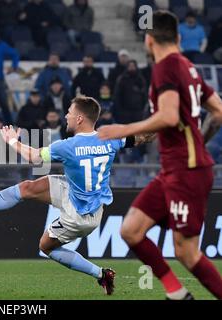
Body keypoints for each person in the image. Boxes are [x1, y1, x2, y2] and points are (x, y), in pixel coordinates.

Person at [0, 96, 153, 295]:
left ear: (80, 118)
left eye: (70, 113)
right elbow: (143, 137)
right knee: (27, 187)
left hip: (78, 214)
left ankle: (101, 274)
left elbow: (33, 157)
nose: (66, 116)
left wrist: (12, 142)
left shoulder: (67, 146)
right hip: (84, 198)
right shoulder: (110, 139)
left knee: (45, 246)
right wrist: (163, 125)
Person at [98, 10, 222, 300]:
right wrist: (199, 141)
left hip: (185, 172)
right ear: (178, 37)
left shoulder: (165, 68)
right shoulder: (189, 67)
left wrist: (123, 129)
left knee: (186, 252)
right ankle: (177, 293)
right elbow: (218, 112)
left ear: (149, 40)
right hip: (175, 170)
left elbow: (167, 116)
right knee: (130, 230)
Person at [113, 60, 148, 124]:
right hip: (125, 111)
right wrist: (120, 110)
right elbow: (117, 96)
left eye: (133, 66)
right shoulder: (122, 79)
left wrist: (143, 109)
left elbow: (144, 95)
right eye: (130, 66)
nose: (131, 67)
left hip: (138, 112)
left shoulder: (140, 79)